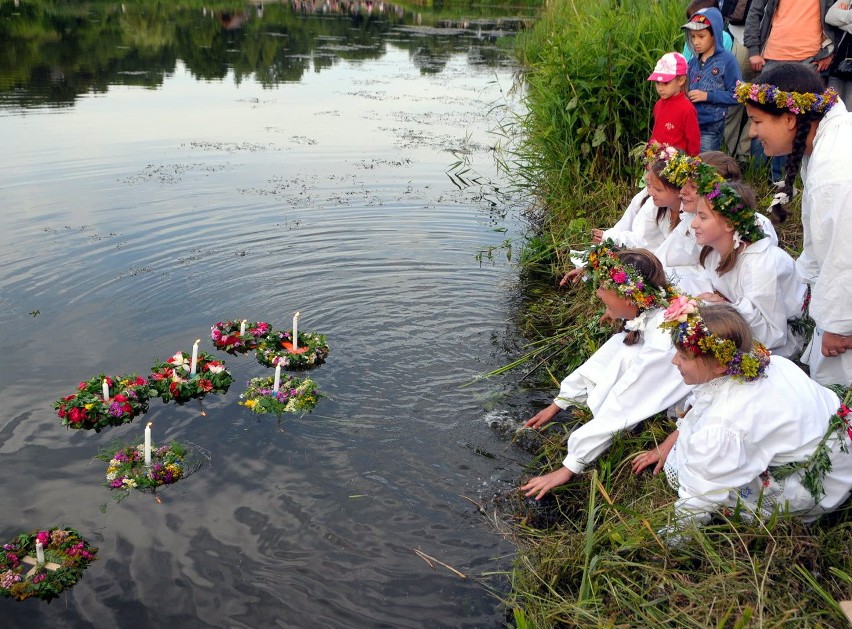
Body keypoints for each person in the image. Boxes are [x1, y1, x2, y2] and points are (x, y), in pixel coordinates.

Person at [633, 301, 852, 530]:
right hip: (842, 459)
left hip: (816, 485)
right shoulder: (772, 363)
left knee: (709, 476)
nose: (674, 360)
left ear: (719, 365)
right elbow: (705, 409)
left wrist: (674, 539)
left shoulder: (725, 421)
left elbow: (701, 496)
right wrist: (671, 441)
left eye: (684, 356)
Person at [521, 247, 693, 500]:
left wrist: (570, 466)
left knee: (626, 355)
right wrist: (560, 403)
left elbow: (627, 402)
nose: (598, 293)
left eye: (603, 288)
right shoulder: (653, 312)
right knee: (622, 346)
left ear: (629, 297)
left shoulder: (661, 346)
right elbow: (610, 354)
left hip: (695, 400)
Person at [736, 63, 852, 385]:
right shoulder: (823, 143)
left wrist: (838, 325)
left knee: (835, 384)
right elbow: (820, 246)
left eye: (757, 121)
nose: (751, 133)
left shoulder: (836, 170)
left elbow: (845, 257)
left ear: (789, 119)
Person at [690, 178, 806, 358]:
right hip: (743, 327)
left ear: (729, 224)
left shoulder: (758, 264)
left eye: (703, 217)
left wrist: (724, 308)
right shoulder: (714, 251)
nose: (693, 223)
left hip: (778, 344)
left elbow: (774, 335)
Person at [656, 152, 778, 295]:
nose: (682, 192)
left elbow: (760, 284)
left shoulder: (756, 228)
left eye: (694, 186)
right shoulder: (692, 219)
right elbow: (667, 256)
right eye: (684, 184)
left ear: (720, 193)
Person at [683, 8, 743, 150]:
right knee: (686, 166)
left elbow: (737, 95)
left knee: (705, 166)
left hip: (710, 127)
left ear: (714, 35)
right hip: (688, 124)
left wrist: (708, 96)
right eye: (693, 37)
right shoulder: (692, 62)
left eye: (701, 36)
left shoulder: (727, 61)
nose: (696, 42)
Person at [647, 52, 701, 155]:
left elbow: (694, 142)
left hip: (675, 165)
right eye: (657, 83)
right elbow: (655, 133)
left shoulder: (687, 109)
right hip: (656, 160)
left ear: (681, 80)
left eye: (666, 83)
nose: (660, 88)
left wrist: (692, 165)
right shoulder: (658, 104)